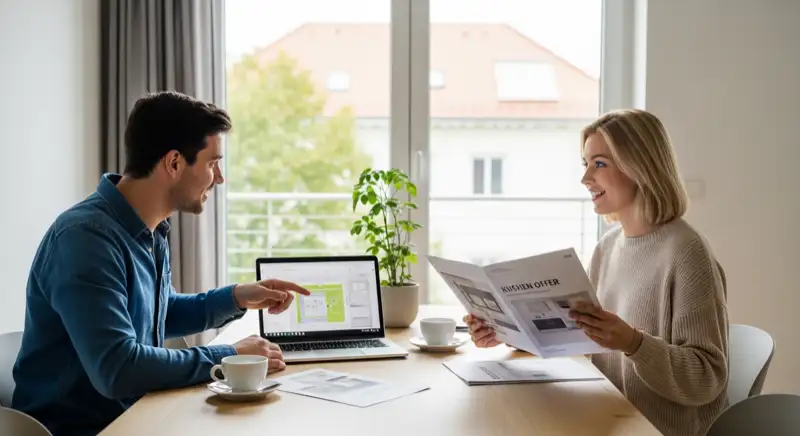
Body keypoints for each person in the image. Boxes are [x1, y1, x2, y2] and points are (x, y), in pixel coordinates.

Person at [12, 91, 311, 436]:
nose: (220, 178)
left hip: (137, 414)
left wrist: (237, 296)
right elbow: (118, 369)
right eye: (212, 163)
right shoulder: (85, 239)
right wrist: (228, 357)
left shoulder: (149, 229)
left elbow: (159, 312)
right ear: (174, 163)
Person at [464, 109, 729, 436]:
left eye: (600, 164)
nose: (586, 178)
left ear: (640, 167)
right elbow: (584, 341)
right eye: (585, 164)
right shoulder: (608, 247)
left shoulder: (687, 253)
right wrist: (505, 331)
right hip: (608, 418)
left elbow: (706, 380)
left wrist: (633, 343)